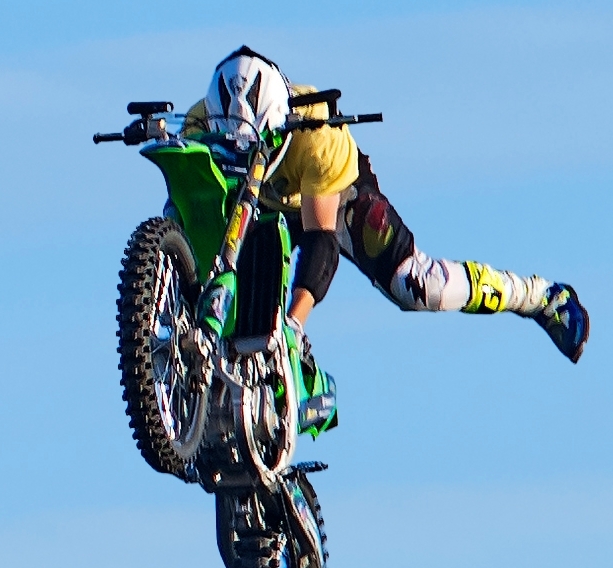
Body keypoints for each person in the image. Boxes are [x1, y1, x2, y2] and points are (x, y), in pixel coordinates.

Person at [203, 44, 590, 363]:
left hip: (337, 195)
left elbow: (321, 238)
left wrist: (292, 324)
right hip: (260, 200)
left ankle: (539, 296)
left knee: (419, 286)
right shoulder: (199, 121)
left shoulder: (315, 134)